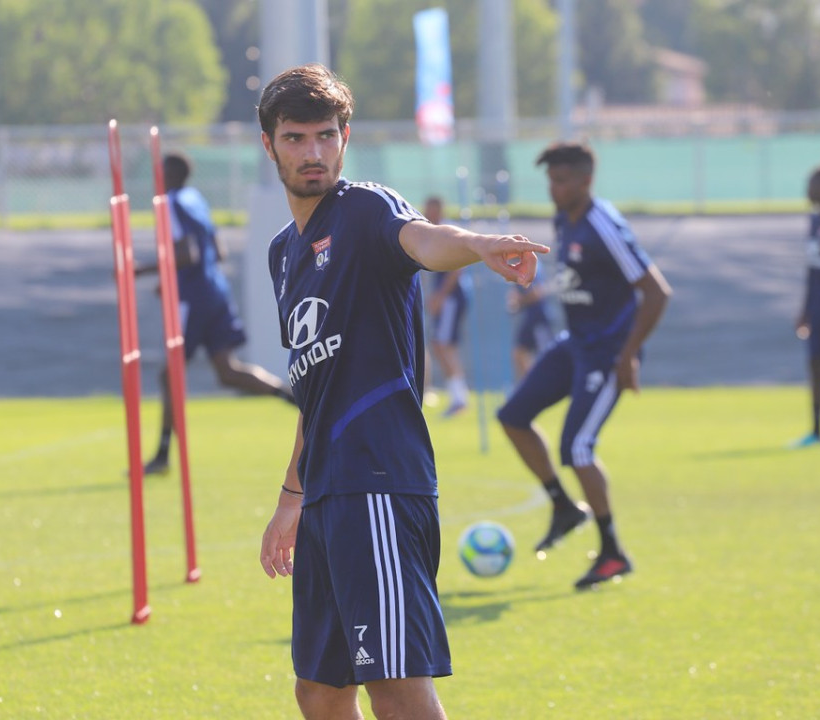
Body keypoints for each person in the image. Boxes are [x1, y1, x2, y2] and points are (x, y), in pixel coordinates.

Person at [256, 63, 548, 720]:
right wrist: (290, 497)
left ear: (345, 137)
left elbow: (424, 240)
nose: (313, 152)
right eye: (296, 138)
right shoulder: (283, 254)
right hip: (328, 493)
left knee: (396, 688)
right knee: (321, 691)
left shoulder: (364, 209)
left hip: (380, 484)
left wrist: (477, 246)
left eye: (326, 136)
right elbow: (316, 388)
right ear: (268, 143)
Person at [496, 142, 672, 591]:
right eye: (550, 180)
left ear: (586, 180)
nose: (553, 189)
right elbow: (578, 278)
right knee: (512, 417)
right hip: (574, 344)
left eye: (562, 180)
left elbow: (656, 292)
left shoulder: (602, 224)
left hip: (607, 353)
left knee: (576, 448)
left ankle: (613, 553)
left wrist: (628, 354)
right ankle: (563, 506)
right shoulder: (566, 219)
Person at [136, 152, 294, 475]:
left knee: (170, 375)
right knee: (227, 371)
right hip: (215, 292)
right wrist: (175, 280)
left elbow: (187, 253)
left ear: (170, 175)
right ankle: (296, 399)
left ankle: (164, 455)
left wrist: (142, 271)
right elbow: (215, 249)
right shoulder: (195, 199)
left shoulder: (169, 203)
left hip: (194, 300)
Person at [792, 165, 820, 447]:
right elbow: (812, 271)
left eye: (813, 183)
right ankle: (816, 431)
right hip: (817, 308)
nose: (808, 188)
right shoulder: (815, 222)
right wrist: (804, 310)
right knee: (815, 365)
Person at [423, 196, 471, 417]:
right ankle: (458, 395)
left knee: (442, 344)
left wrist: (441, 296)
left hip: (452, 296)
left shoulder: (446, 230)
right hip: (448, 296)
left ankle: (459, 397)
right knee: (442, 344)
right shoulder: (433, 232)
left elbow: (457, 269)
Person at [507, 259, 554, 382]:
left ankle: (546, 384)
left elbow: (537, 292)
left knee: (547, 355)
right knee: (519, 353)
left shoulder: (531, 265)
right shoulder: (522, 266)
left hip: (538, 316)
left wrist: (520, 301)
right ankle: (533, 384)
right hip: (531, 316)